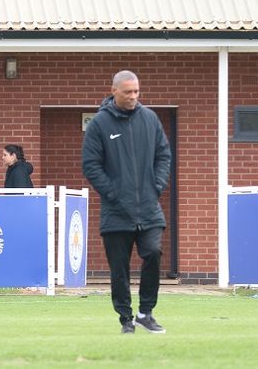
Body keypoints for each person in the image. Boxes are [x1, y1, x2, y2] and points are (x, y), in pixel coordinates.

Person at [81, 70, 171, 335]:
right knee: (119, 270)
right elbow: (91, 165)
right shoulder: (99, 124)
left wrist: (156, 186)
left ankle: (146, 313)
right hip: (116, 211)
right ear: (114, 91)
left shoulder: (150, 119)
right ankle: (126, 319)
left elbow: (163, 155)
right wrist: (113, 194)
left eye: (136, 92)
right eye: (128, 92)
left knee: (153, 253)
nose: (133, 97)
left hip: (148, 207)